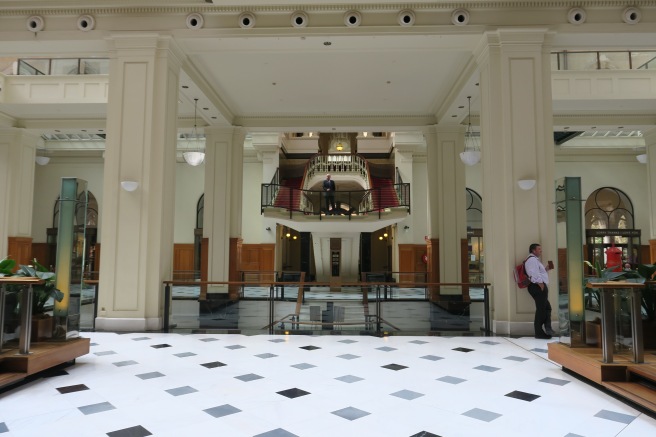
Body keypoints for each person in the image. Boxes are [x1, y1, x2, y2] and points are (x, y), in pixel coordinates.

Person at [524, 243, 554, 339]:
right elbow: (533, 274)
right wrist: (540, 284)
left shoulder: (534, 260)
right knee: (542, 310)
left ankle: (547, 328)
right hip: (537, 286)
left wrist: (546, 269)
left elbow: (537, 272)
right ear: (533, 250)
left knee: (546, 308)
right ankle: (539, 332)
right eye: (539, 249)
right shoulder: (532, 260)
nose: (541, 251)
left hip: (537, 285)